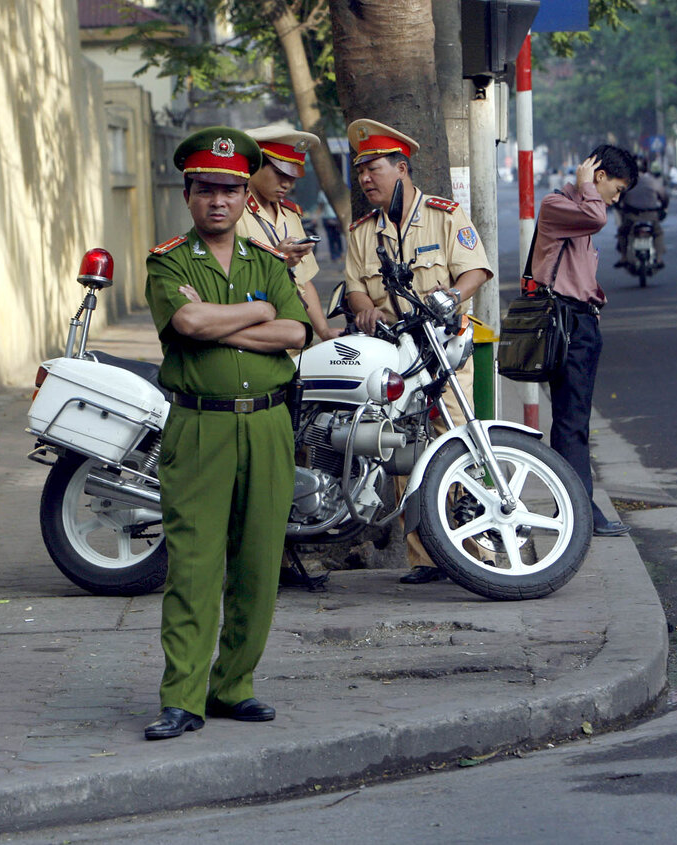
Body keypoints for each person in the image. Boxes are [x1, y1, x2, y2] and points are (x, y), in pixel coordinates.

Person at [143, 127, 310, 740]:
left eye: (231, 190)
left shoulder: (266, 261)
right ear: (187, 194)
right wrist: (260, 311)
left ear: (245, 197)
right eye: (206, 189)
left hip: (267, 426)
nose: (219, 201)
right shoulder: (168, 261)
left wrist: (226, 323)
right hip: (199, 426)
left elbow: (296, 333)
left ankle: (233, 686)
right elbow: (186, 321)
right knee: (193, 565)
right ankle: (183, 698)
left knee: (258, 563)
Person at [343, 119, 492, 585]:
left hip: (443, 349)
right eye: (360, 171)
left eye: (374, 169)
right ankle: (424, 557)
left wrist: (452, 296)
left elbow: (476, 270)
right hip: (394, 354)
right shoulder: (363, 231)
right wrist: (365, 308)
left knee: (458, 442)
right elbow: (354, 287)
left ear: (401, 169)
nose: (365, 178)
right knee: (402, 450)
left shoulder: (445, 215)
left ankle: (471, 550)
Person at [534, 146, 637, 538]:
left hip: (581, 322)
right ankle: (581, 510)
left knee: (573, 419)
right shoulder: (558, 205)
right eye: (617, 188)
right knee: (572, 421)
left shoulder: (575, 210)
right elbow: (597, 217)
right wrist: (586, 186)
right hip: (567, 324)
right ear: (599, 175)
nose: (616, 199)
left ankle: (572, 505)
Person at [236, 122, 340, 341]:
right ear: (255, 165)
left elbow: (304, 282)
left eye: (293, 176)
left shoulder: (291, 215)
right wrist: (277, 261)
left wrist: (324, 332)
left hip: (297, 339)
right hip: (257, 337)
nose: (287, 184)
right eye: (279, 173)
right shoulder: (234, 214)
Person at [615, 155, 667, 268]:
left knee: (623, 233)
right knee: (658, 233)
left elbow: (618, 198)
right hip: (651, 216)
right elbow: (663, 196)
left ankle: (624, 257)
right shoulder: (652, 181)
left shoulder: (627, 181)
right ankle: (659, 259)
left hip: (632, 216)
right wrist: (663, 208)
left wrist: (619, 207)